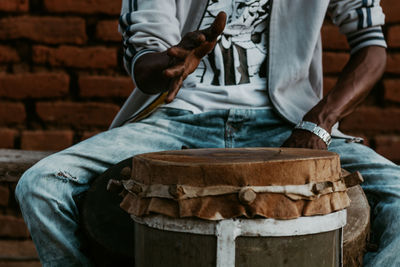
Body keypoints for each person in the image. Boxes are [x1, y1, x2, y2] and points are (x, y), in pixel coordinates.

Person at [15, 0, 398, 266]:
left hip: (289, 125)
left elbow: (371, 47)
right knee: (42, 185)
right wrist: (169, 62)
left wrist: (319, 122)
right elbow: (144, 57)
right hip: (177, 121)